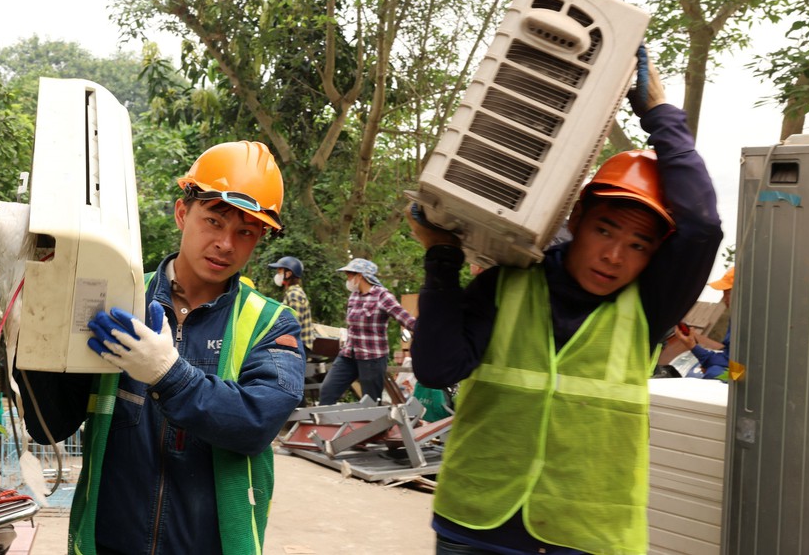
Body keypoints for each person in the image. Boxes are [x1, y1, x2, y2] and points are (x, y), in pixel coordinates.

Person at [406, 53, 723, 555]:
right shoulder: (509, 283)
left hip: (586, 537)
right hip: (475, 525)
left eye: (639, 244)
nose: (615, 256)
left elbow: (702, 225)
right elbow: (437, 366)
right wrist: (441, 257)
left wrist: (658, 111)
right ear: (577, 218)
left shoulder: (649, 307)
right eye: (605, 230)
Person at [15, 141, 306, 555]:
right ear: (182, 213)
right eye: (214, 221)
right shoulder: (117, 298)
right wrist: (36, 318)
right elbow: (49, 426)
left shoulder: (271, 324)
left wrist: (170, 376)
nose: (226, 243)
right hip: (110, 544)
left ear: (260, 238)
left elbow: (254, 423)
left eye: (245, 232)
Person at [317, 258, 417, 405]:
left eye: (349, 275)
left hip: (372, 358)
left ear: (360, 276)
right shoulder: (354, 296)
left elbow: (405, 318)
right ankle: (324, 420)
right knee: (327, 391)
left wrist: (427, 334)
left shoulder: (382, 296)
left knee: (370, 403)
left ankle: (375, 421)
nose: (347, 279)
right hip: (348, 355)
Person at [671, 267, 734, 379]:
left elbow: (737, 368)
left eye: (727, 292)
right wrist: (692, 345)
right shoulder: (735, 319)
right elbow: (727, 359)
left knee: (713, 373)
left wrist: (711, 366)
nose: (724, 298)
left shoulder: (749, 325)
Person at [268, 255, 315, 349]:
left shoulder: (294, 294)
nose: (277, 275)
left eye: (279, 271)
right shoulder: (292, 292)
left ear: (288, 274)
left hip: (298, 346)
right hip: (296, 344)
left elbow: (293, 325)